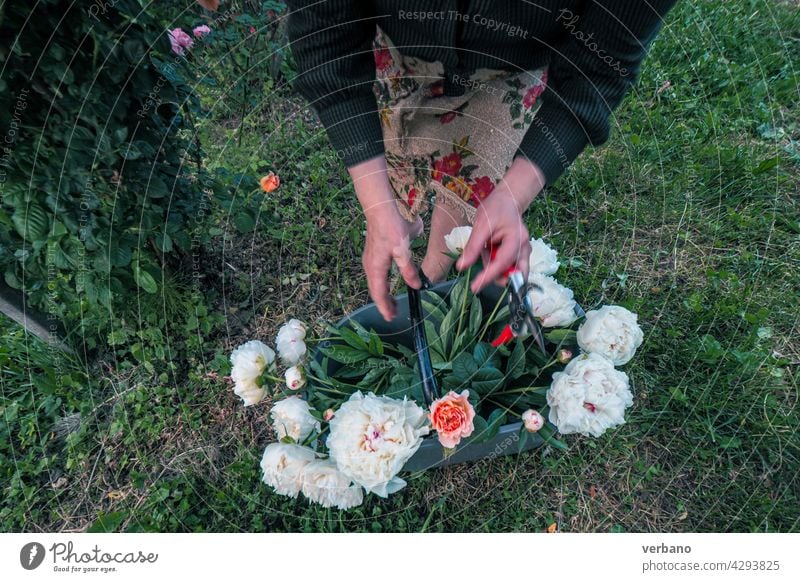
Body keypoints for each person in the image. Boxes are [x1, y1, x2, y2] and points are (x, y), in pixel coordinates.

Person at [286, 1, 677, 322]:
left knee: (474, 177)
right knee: (406, 156)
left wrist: (511, 198)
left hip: (512, 63)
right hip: (396, 46)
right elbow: (327, 47)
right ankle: (433, 268)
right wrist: (375, 204)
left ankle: (441, 265)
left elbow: (597, 73)